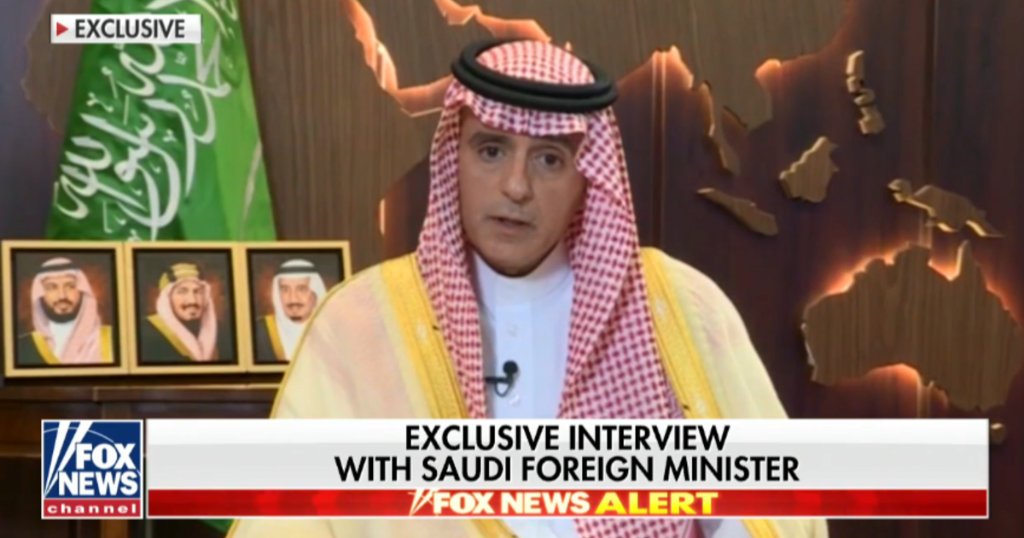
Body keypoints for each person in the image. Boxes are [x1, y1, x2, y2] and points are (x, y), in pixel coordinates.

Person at [231, 40, 827, 537]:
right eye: (491, 150)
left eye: (548, 160)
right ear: (454, 159)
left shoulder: (676, 306)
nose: (516, 187)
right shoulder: (362, 322)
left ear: (587, 176)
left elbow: (772, 510)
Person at [17, 257, 114, 365]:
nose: (62, 296)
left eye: (70, 286)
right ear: (40, 294)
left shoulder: (113, 339)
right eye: (51, 287)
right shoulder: (23, 347)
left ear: (82, 291)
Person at [138, 262, 224, 362]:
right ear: (167, 299)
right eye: (182, 292)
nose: (192, 300)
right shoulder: (146, 331)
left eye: (197, 292)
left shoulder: (221, 331)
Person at [253, 259, 327, 362]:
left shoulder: (330, 331)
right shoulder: (260, 331)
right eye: (285, 290)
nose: (293, 298)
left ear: (315, 294)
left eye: (301, 289)